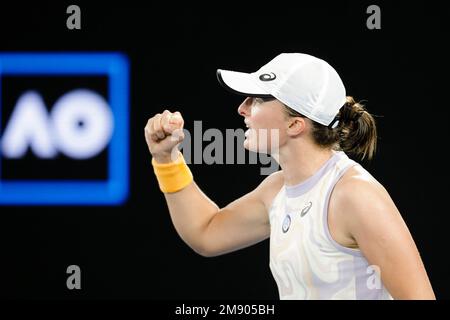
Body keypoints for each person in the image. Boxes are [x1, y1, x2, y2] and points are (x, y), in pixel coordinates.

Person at [144, 53, 435, 300]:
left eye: (256, 100)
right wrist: (166, 159)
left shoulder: (355, 195)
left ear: (295, 124)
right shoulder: (276, 189)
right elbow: (206, 233)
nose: (241, 108)